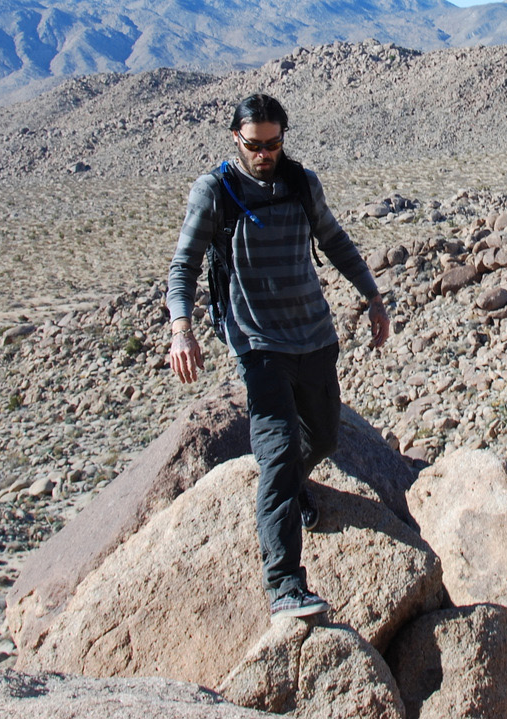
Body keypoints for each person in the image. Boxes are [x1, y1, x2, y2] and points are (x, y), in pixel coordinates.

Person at [166, 93, 389, 619]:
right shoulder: (214, 191)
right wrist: (181, 330)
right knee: (279, 448)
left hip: (313, 332)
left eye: (273, 143)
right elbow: (183, 266)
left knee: (324, 437)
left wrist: (373, 296)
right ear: (235, 139)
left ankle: (288, 486)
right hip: (257, 341)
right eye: (254, 145)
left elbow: (334, 240)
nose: (264, 154)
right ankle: (285, 585)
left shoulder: (301, 183)